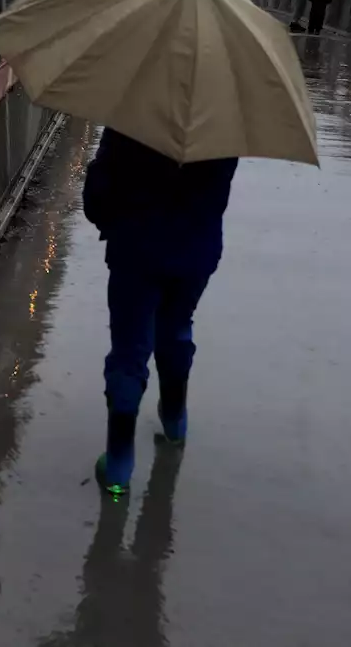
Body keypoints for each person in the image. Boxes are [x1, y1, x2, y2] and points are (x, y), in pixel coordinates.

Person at [82, 128, 238, 494]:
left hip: (136, 250)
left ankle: (119, 467)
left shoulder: (134, 119)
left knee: (129, 350)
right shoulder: (225, 128)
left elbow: (97, 199)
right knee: (177, 328)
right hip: (196, 252)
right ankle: (174, 422)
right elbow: (217, 196)